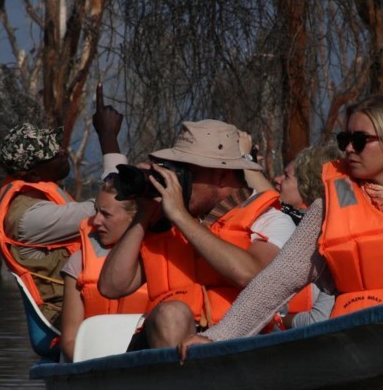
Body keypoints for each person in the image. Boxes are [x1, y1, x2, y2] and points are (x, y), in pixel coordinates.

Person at [178, 94, 383, 359]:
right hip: (359, 352)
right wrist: (217, 337)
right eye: (344, 140)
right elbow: (276, 282)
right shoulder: (328, 209)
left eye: (360, 141)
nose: (348, 149)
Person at [98, 119, 296, 350]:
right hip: (165, 347)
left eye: (187, 173)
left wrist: (181, 218)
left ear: (221, 176)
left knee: (173, 313)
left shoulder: (269, 219)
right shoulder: (166, 226)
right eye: (174, 169)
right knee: (172, 314)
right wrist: (143, 215)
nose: (178, 181)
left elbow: (253, 276)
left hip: (241, 347)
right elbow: (111, 287)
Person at [0, 123, 95, 331]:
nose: (62, 151)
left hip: (82, 305)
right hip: (63, 317)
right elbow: (106, 211)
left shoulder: (40, 198)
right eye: (52, 153)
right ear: (33, 176)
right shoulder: (31, 218)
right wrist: (108, 140)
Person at [58, 177, 148, 362]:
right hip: (91, 363)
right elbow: (69, 340)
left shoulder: (161, 260)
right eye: (96, 211)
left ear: (135, 216)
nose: (95, 221)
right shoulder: (79, 262)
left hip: (144, 360)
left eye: (106, 214)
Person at [277, 142, 341, 329]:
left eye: (287, 176)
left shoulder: (330, 231)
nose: (277, 179)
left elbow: (319, 320)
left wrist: (279, 322)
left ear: (307, 184)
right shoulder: (307, 223)